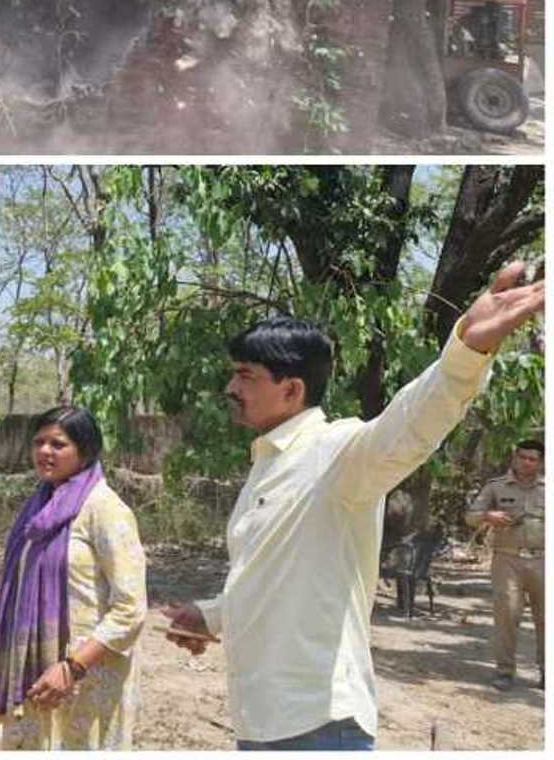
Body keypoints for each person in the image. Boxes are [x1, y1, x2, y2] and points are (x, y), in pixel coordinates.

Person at [164, 262, 544, 750]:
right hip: (260, 719)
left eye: (245, 376)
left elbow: (408, 425)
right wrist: (212, 616)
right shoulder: (270, 462)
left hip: (318, 724)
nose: (231, 389)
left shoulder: (335, 452)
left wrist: (466, 354)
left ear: (292, 389)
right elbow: (272, 577)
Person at [0, 406, 147, 750]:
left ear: (85, 450)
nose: (44, 451)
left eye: (58, 444)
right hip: (36, 671)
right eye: (38, 442)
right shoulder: (38, 508)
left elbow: (130, 609)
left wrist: (72, 668)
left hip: (88, 676)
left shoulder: (105, 510)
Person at [466, 438, 545, 691]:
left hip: (544, 561)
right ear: (514, 458)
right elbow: (470, 517)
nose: (526, 462)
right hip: (507, 560)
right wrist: (488, 516)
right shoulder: (496, 487)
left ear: (540, 463)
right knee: (507, 615)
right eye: (522, 457)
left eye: (532, 459)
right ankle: (505, 671)